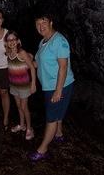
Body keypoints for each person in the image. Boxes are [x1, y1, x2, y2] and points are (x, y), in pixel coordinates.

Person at [29, 13, 75, 161]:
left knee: (51, 118)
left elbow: (63, 66)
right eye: (37, 24)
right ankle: (59, 135)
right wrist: (24, 60)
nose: (40, 26)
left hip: (60, 85)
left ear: (51, 22)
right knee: (57, 112)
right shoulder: (43, 42)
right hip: (49, 85)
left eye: (44, 22)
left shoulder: (59, 41)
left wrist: (58, 90)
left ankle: (42, 150)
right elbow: (37, 64)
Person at [4, 30, 37, 140]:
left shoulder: (22, 53)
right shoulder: (8, 53)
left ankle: (29, 128)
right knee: (18, 106)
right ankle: (22, 125)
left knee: (24, 107)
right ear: (6, 42)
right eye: (9, 40)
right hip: (14, 85)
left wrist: (33, 84)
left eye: (14, 39)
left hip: (24, 86)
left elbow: (32, 67)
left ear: (18, 41)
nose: (12, 41)